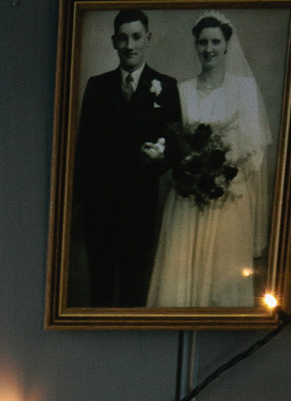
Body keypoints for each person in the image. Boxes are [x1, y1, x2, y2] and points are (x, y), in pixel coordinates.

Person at [147, 12, 271, 308]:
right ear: (196, 46)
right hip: (188, 196)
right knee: (180, 280)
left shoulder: (244, 89)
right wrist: (188, 167)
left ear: (227, 45)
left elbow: (255, 151)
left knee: (222, 277)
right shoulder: (182, 90)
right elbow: (173, 141)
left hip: (227, 195)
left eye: (216, 42)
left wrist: (222, 173)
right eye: (203, 42)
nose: (209, 49)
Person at [73, 8, 182, 307]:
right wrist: (79, 203)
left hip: (140, 204)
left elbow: (175, 145)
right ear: (113, 42)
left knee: (134, 287)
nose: (130, 45)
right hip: (100, 206)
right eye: (123, 38)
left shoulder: (166, 86)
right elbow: (84, 147)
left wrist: (159, 157)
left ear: (148, 39)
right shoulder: (97, 86)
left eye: (136, 37)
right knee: (101, 286)